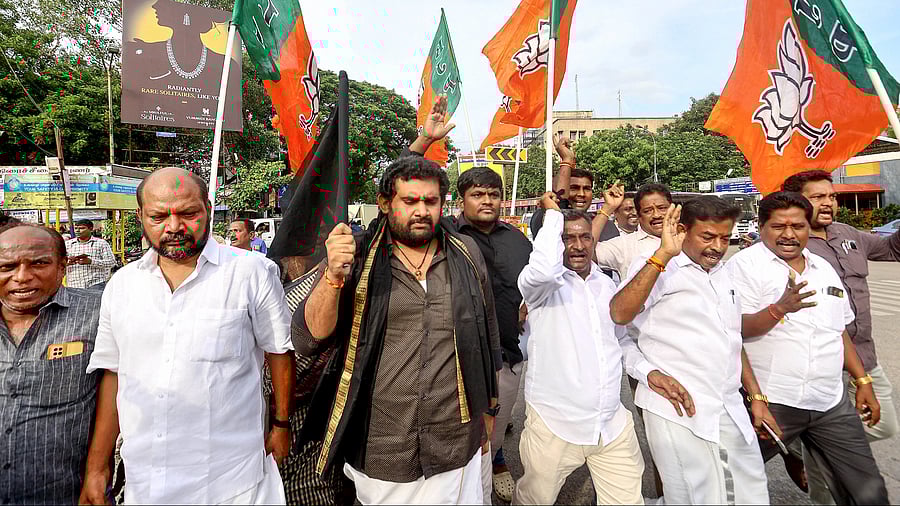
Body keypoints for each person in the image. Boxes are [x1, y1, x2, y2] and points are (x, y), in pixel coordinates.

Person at [293, 152, 500, 505]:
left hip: (455, 438)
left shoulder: (464, 254)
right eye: (410, 201)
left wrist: (489, 409)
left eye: (431, 201)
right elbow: (308, 337)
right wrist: (332, 276)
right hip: (383, 445)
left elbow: (487, 334)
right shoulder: (355, 257)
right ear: (386, 203)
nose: (422, 210)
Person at [79, 167, 295, 505]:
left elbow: (279, 352)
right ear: (140, 217)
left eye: (188, 213)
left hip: (232, 482)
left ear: (207, 209)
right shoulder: (122, 285)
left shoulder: (251, 273)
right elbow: (114, 375)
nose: (174, 226)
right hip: (145, 483)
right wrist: (97, 467)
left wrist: (281, 425)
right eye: (159, 216)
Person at [609, 196, 776, 504]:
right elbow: (619, 317)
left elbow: (732, 339)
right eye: (708, 237)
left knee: (751, 492)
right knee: (688, 496)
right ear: (683, 230)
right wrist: (663, 255)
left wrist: (756, 397)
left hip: (728, 408)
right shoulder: (656, 265)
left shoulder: (725, 273)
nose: (717, 246)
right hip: (676, 410)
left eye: (725, 238)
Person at [728, 191, 889, 505]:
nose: (789, 234)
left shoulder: (823, 268)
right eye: (778, 226)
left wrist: (863, 381)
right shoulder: (744, 267)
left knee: (867, 490)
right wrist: (779, 309)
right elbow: (734, 331)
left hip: (830, 402)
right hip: (773, 402)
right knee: (730, 482)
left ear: (807, 227)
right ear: (761, 227)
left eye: (797, 226)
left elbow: (838, 331)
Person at [514, 192, 644, 505]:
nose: (577, 245)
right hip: (555, 424)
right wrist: (552, 214)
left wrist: (649, 373)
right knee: (535, 499)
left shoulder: (606, 283)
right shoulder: (541, 287)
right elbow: (543, 269)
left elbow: (621, 340)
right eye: (566, 238)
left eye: (585, 237)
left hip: (610, 425)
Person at [782, 170, 900, 502]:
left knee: (886, 425)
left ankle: (816, 441)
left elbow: (892, 249)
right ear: (799, 201)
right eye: (818, 196)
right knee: (827, 475)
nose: (828, 202)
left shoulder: (849, 234)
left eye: (831, 196)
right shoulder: (790, 243)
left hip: (865, 360)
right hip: (822, 367)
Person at [0, 223, 103, 504]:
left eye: (39, 263)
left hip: (62, 492)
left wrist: (98, 470)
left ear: (63, 266)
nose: (22, 277)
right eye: (7, 267)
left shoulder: (100, 313)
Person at [449, 166, 532, 503]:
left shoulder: (518, 239)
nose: (487, 201)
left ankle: (495, 465)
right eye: (477, 194)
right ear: (461, 199)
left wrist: (529, 303)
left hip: (507, 355)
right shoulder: (447, 237)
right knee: (458, 439)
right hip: (458, 358)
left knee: (493, 434)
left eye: (493, 194)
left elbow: (538, 281)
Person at [594, 183, 672, 278]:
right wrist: (607, 208)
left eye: (662, 208)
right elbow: (585, 251)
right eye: (648, 211)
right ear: (639, 216)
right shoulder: (624, 245)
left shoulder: (689, 239)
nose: (656, 215)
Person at [64, 219, 116, 290]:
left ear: (91, 229)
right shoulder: (68, 245)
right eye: (76, 228)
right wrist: (68, 262)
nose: (78, 231)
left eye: (82, 228)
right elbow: (59, 263)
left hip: (95, 284)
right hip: (74, 285)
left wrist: (91, 262)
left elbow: (111, 262)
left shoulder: (101, 243)